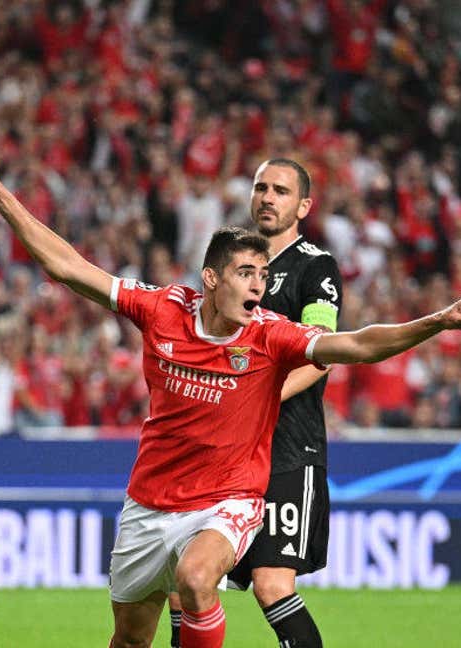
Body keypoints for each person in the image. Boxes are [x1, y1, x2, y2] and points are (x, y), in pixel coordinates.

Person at [0, 132, 461, 648]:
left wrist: (433, 322)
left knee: (196, 579)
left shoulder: (270, 334)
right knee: (130, 637)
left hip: (228, 500)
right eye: (246, 273)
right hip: (151, 502)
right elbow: (67, 266)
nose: (259, 285)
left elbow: (357, 345)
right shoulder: (162, 308)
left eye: (263, 274)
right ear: (211, 279)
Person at [166, 158, 340, 648]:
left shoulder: (315, 267)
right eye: (261, 187)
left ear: (303, 205)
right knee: (185, 583)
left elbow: (320, 352)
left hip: (287, 448)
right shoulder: (237, 260)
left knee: (271, 582)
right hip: (224, 450)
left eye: (281, 191)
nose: (267, 197)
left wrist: (256, 397)